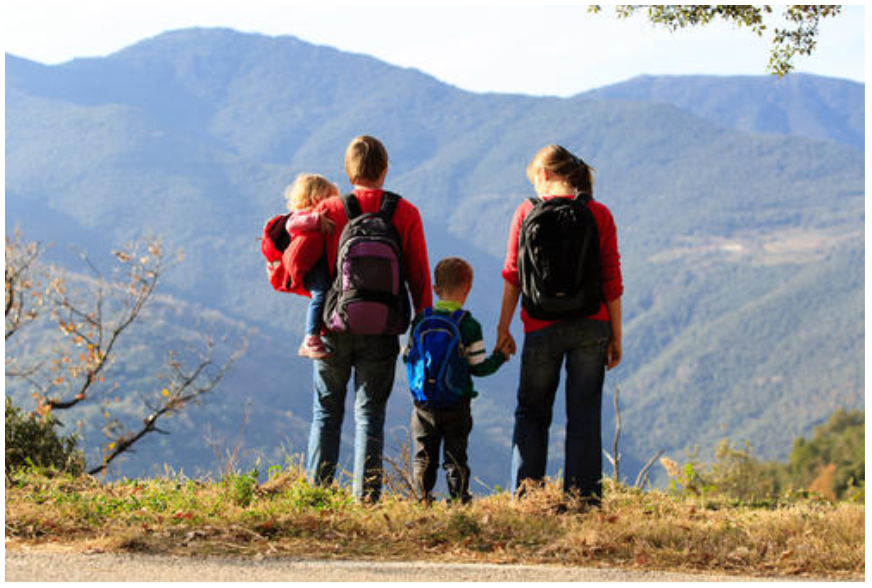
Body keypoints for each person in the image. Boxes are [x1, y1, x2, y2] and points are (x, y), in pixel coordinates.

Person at [290, 135, 432, 502]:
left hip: (333, 326)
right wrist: (421, 324)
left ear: (348, 171)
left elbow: (300, 264)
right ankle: (366, 499)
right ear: (385, 169)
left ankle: (317, 495)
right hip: (384, 329)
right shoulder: (406, 213)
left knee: (327, 411)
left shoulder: (331, 210)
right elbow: (418, 275)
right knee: (370, 414)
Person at [496, 144, 623, 506]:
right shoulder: (599, 214)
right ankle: (583, 501)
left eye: (535, 179)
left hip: (539, 325)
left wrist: (503, 327)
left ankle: (526, 498)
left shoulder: (525, 212)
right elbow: (612, 281)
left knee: (533, 411)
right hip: (591, 325)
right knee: (583, 413)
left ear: (546, 175)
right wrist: (616, 335)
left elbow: (512, 275)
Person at [404, 257, 509, 505]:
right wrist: (500, 357)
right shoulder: (469, 325)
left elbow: (408, 357)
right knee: (455, 455)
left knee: (423, 454)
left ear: (435, 289)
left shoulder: (421, 320)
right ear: (468, 288)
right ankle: (459, 499)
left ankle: (423, 499)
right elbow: (479, 368)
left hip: (423, 403)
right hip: (457, 403)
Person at [282, 173, 338, 359]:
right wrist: (315, 220)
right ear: (315, 199)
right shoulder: (302, 216)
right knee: (320, 294)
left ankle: (317, 331)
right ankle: (310, 337)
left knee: (325, 293)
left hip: (318, 263)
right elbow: (291, 225)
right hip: (312, 267)